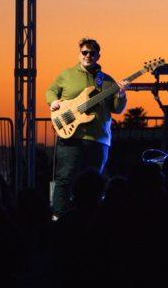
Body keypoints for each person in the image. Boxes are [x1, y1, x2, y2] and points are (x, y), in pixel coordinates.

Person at [46, 37, 128, 217]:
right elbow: (50, 91)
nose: (88, 55)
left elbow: (117, 109)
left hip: (97, 139)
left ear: (98, 55)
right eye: (84, 52)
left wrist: (121, 94)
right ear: (79, 54)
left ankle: (90, 218)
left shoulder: (107, 81)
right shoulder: (66, 75)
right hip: (70, 138)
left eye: (92, 53)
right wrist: (53, 103)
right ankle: (58, 218)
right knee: (65, 179)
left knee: (94, 183)